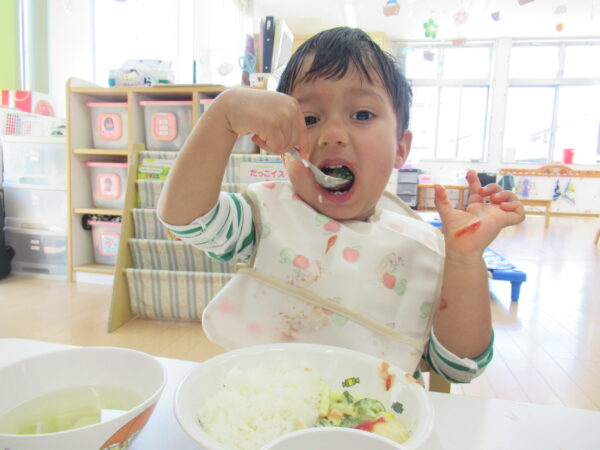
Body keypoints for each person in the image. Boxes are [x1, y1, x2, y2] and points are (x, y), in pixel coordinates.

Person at [158, 27, 525, 384]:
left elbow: (459, 367)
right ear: (283, 148)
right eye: (309, 119)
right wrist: (223, 115)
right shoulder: (265, 217)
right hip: (266, 407)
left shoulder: (424, 250)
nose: (332, 135)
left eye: (362, 115)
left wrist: (464, 261)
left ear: (400, 148)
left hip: (378, 416)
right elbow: (185, 218)